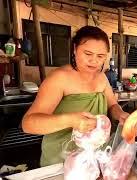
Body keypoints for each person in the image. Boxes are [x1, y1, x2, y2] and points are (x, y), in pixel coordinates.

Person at [21, 26, 129, 167]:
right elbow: (28, 124)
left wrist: (120, 114)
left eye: (100, 56)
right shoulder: (59, 78)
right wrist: (71, 120)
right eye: (88, 54)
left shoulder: (102, 77)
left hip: (95, 158)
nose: (94, 61)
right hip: (61, 160)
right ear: (74, 49)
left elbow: (112, 105)